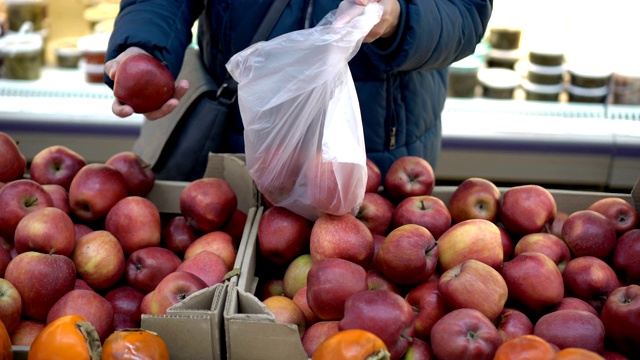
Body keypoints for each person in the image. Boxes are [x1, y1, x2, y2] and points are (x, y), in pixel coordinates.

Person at [104, 0, 493, 179]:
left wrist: (400, 17)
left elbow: (464, 12)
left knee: (362, 292)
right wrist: (144, 46)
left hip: (371, 152)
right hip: (242, 143)